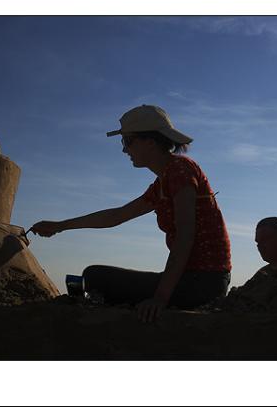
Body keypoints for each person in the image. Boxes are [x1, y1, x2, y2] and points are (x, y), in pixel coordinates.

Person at [30, 104, 231, 322]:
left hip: (203, 283)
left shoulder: (180, 171)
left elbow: (185, 234)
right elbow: (116, 216)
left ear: (150, 142)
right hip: (192, 279)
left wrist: (160, 299)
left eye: (128, 141)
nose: (125, 149)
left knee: (95, 277)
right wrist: (59, 226)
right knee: (95, 277)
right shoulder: (163, 181)